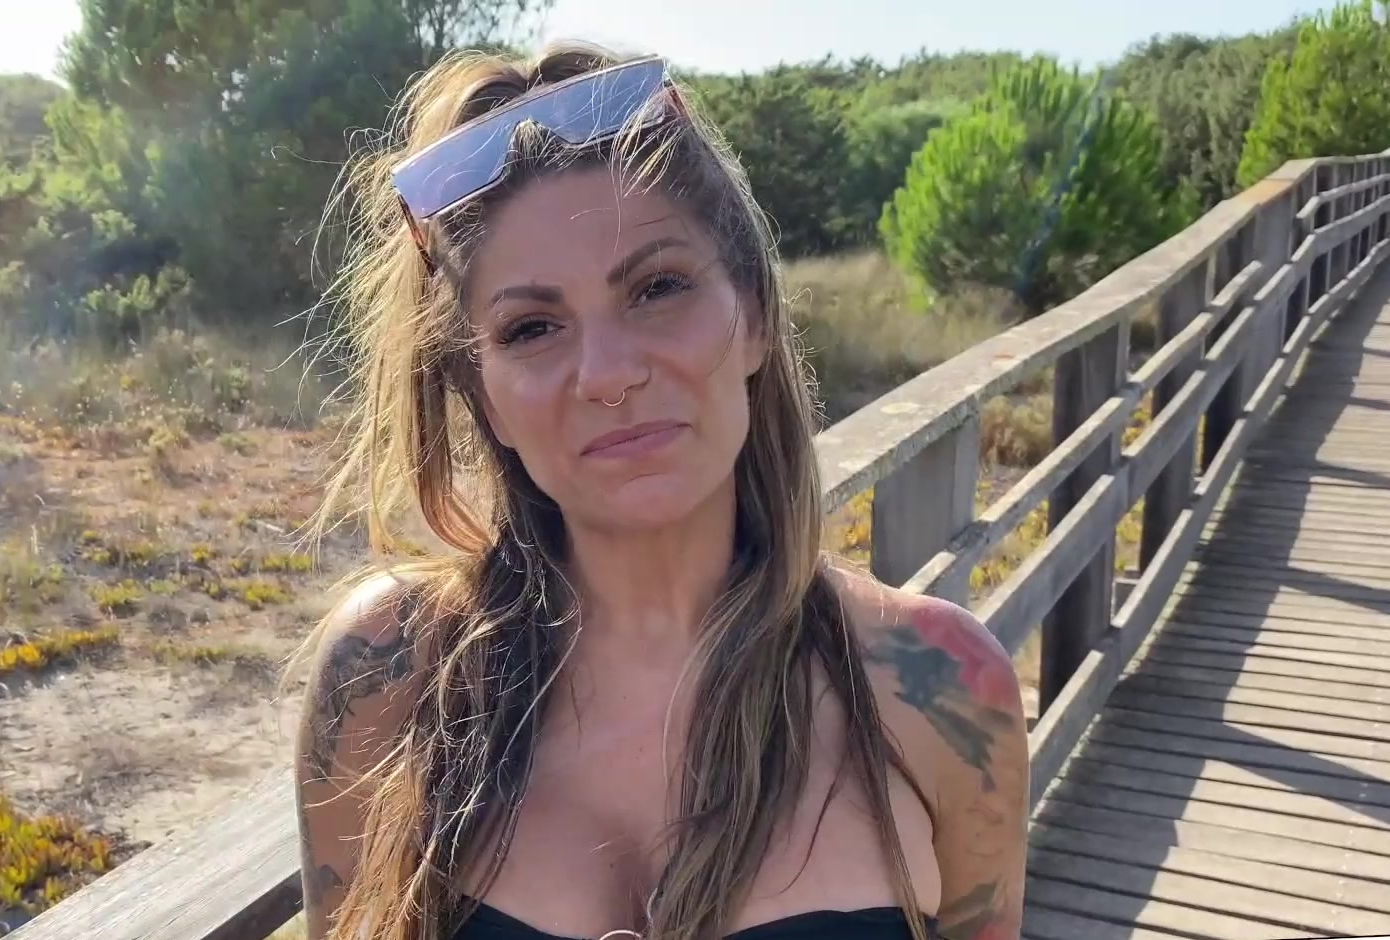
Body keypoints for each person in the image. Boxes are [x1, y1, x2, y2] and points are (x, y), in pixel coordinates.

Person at [291, 40, 1030, 940]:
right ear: (480, 393)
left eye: (658, 287)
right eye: (531, 328)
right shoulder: (387, 674)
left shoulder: (942, 687)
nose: (607, 374)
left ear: (753, 316)